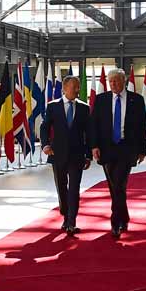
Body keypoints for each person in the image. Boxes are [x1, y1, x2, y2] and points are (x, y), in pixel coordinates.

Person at [88, 67, 146, 238]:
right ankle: (124, 217)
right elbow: (94, 124)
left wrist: (142, 150)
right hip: (106, 148)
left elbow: (142, 126)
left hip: (127, 148)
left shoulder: (136, 100)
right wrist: (94, 146)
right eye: (110, 81)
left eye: (116, 81)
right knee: (115, 187)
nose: (112, 84)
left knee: (119, 183)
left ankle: (115, 222)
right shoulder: (101, 99)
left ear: (124, 81)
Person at [40, 76, 91, 236]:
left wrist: (88, 155)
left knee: (74, 189)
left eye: (78, 86)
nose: (77, 90)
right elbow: (44, 127)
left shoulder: (84, 108)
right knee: (62, 188)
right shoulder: (53, 106)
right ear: (64, 88)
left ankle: (71, 222)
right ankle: (65, 214)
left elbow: (88, 133)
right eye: (74, 87)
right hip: (57, 154)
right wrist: (45, 145)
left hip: (77, 155)